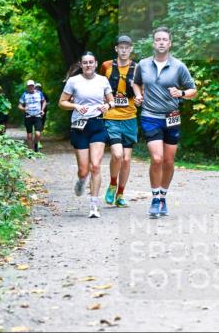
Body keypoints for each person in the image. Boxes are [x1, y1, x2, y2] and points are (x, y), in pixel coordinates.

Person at [131, 26, 197, 218]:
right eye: (158, 39)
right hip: (150, 116)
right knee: (157, 158)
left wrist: (181, 93)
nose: (161, 42)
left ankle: (163, 197)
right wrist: (138, 95)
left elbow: (193, 90)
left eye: (164, 39)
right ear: (153, 43)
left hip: (171, 117)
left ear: (170, 43)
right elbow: (136, 83)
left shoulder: (179, 66)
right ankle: (154, 198)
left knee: (168, 161)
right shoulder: (143, 64)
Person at [59, 52, 115, 218]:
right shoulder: (73, 81)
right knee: (84, 171)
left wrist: (108, 106)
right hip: (79, 127)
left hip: (97, 125)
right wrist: (75, 106)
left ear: (96, 64)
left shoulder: (102, 80)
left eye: (91, 62)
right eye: (85, 63)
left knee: (95, 166)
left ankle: (94, 206)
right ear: (81, 65)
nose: (88, 65)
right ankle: (82, 180)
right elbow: (62, 103)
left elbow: (111, 101)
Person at [99, 35, 138, 208]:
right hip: (112, 116)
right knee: (117, 154)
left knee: (127, 160)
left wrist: (140, 98)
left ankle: (120, 194)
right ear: (116, 49)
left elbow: (142, 89)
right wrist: (102, 101)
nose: (124, 50)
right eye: (121, 47)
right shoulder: (106, 65)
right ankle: (112, 184)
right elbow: (100, 85)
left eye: (126, 47)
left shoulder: (137, 68)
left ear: (131, 49)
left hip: (130, 117)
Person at [18, 79, 47, 152]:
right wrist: (24, 108)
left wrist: (42, 110)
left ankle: (36, 144)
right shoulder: (24, 95)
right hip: (28, 116)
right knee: (29, 135)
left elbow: (44, 101)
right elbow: (19, 106)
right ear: (27, 87)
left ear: (34, 86)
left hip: (37, 115)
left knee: (38, 134)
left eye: (32, 86)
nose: (30, 87)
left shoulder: (39, 93)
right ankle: (30, 151)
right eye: (29, 86)